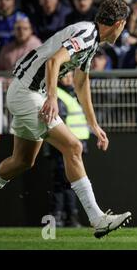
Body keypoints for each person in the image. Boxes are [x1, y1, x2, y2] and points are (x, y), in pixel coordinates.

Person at [0, 0, 132, 238]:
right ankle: (97, 218)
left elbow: (80, 83)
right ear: (119, 23)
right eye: (124, 26)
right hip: (29, 94)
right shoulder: (88, 35)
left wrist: (94, 124)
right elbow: (54, 61)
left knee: (22, 161)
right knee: (73, 147)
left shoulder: (90, 38)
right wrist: (51, 98)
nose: (123, 31)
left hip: (25, 92)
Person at [45, 71, 89, 227]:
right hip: (64, 147)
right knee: (62, 182)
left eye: (71, 75)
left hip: (73, 146)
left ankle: (68, 216)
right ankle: (59, 216)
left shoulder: (70, 94)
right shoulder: (60, 96)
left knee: (69, 182)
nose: (70, 78)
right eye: (66, 75)